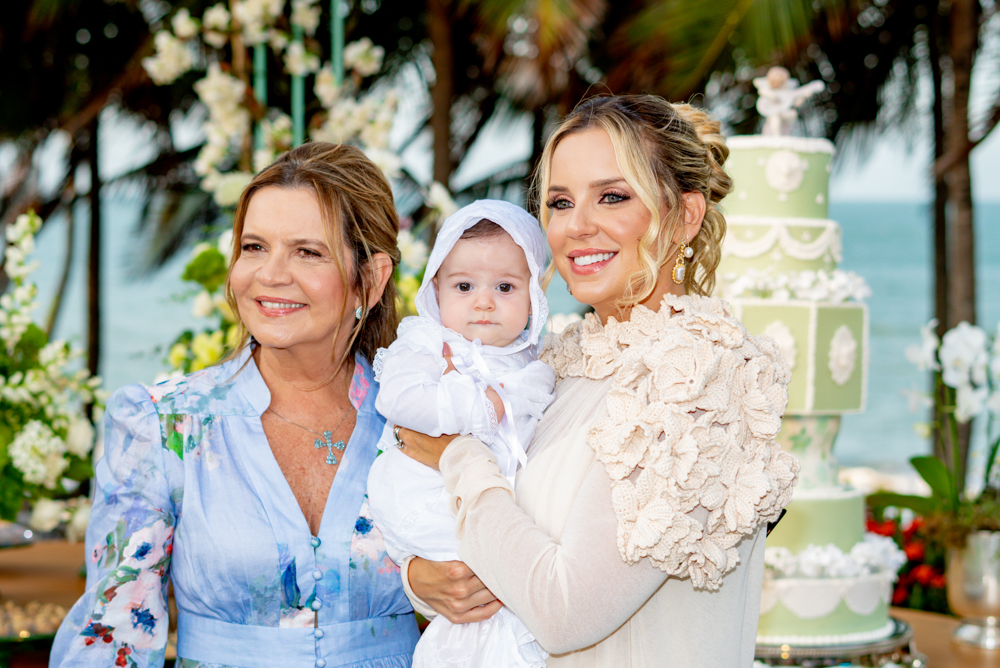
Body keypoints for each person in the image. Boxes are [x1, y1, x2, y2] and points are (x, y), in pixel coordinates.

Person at [399, 95, 800, 667]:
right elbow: (501, 541)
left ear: (686, 215)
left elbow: (565, 613)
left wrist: (455, 456)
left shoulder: (706, 379)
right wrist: (425, 579)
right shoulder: (562, 360)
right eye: (560, 202)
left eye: (612, 197)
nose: (577, 226)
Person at [49, 142, 420, 668]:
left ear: (372, 278)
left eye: (307, 252)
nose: (269, 274)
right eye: (253, 247)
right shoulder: (163, 427)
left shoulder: (422, 422)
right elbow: (114, 639)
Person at [367, 200, 556, 668]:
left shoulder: (534, 364)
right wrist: (478, 405)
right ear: (436, 289)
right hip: (420, 492)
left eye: (506, 287)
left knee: (491, 617)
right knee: (493, 588)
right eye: (464, 286)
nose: (484, 301)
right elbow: (400, 400)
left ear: (535, 296)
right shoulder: (426, 342)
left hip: (484, 505)